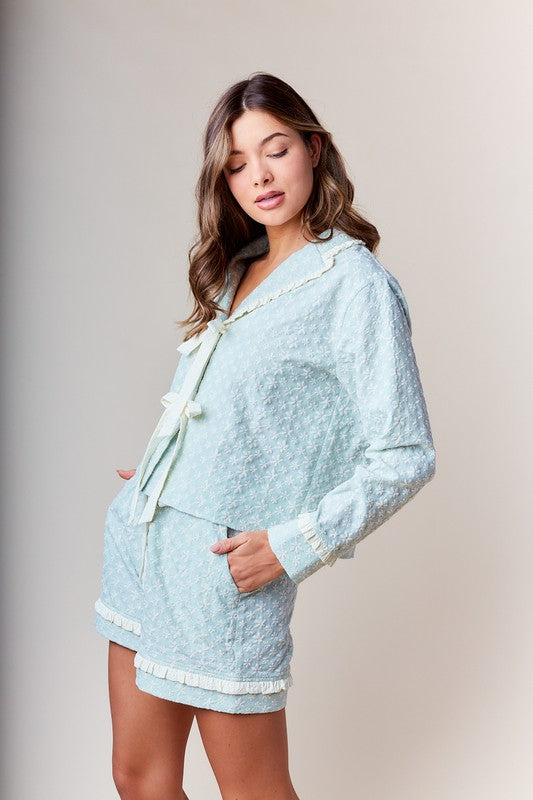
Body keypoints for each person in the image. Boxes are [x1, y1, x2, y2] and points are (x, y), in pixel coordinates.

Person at [93, 71, 436, 800]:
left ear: (314, 149)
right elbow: (236, 412)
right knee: (138, 779)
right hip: (146, 543)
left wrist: (291, 545)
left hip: (224, 571)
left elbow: (404, 454)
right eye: (237, 164)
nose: (260, 176)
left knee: (254, 792)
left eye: (275, 150)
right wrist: (166, 466)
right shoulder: (238, 266)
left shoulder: (354, 284)